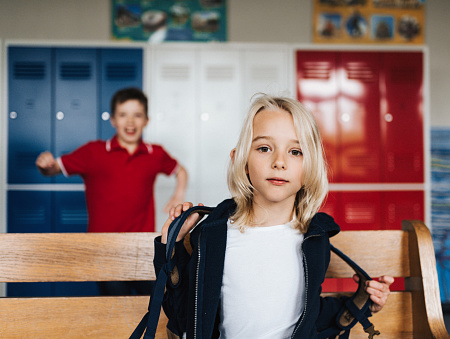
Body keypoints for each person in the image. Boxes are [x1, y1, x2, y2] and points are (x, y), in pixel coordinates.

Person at [152, 94, 393, 338]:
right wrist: (171, 248)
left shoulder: (315, 238)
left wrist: (361, 304)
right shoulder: (214, 234)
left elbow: (310, 317)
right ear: (242, 160)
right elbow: (184, 316)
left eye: (295, 151)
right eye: (264, 148)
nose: (279, 162)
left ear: (310, 166)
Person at [35, 87, 188, 295]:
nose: (130, 122)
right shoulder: (93, 152)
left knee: (152, 309)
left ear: (146, 120)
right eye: (123, 115)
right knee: (115, 312)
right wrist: (45, 165)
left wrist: (178, 194)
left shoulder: (155, 153)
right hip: (104, 251)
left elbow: (181, 171)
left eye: (137, 115)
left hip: (143, 249)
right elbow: (52, 168)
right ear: (113, 120)